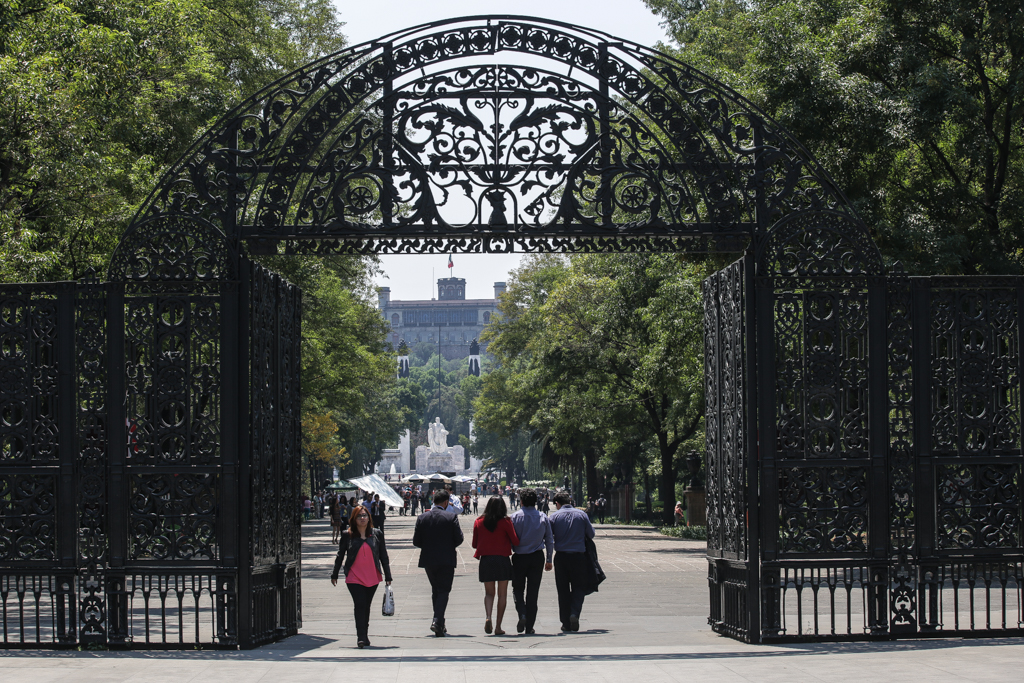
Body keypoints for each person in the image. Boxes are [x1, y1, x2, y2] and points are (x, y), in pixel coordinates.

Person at [330, 505, 393, 648]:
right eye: (359, 516)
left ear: (369, 518)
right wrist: (335, 573)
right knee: (360, 604)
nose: (362, 518)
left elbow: (383, 555)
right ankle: (361, 636)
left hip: (372, 576)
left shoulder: (377, 534)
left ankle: (365, 633)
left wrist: (388, 575)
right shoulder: (347, 534)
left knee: (367, 605)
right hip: (354, 576)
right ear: (354, 518)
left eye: (365, 515)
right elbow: (340, 555)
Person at [412, 489, 465, 636]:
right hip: (447, 558)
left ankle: (440, 623)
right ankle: (437, 620)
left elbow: (416, 541)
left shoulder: (422, 517)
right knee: (444, 590)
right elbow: (459, 539)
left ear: (433, 501)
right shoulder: (451, 516)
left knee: (436, 589)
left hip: (429, 559)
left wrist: (429, 546)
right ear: (446, 502)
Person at [548, 490, 596, 632]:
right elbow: (591, 534)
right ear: (569, 501)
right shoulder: (582, 515)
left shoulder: (553, 517)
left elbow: (549, 538)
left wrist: (549, 558)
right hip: (579, 557)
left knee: (562, 590)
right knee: (579, 587)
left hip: (561, 557)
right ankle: (574, 613)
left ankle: (565, 622)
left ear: (557, 503)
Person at [472, 497, 519, 635]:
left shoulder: (479, 521)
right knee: (502, 594)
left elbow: (475, 544)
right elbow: (515, 540)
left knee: (489, 593)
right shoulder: (506, 522)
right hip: (502, 560)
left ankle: (488, 617)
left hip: (486, 560)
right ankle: (498, 626)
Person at [509, 487, 553, 635]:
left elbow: (509, 538)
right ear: (536, 501)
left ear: (520, 501)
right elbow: (549, 540)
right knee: (533, 592)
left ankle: (522, 613)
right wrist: (549, 559)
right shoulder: (542, 517)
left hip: (519, 557)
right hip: (536, 557)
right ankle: (529, 626)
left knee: (517, 589)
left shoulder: (514, 517)